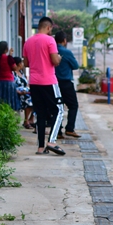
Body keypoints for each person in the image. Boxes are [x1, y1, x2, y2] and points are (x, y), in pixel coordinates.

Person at [22, 17, 65, 155]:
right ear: (48, 27)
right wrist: (58, 58)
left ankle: (41, 147)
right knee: (59, 110)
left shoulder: (28, 41)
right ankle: (52, 141)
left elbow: (26, 63)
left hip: (34, 82)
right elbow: (54, 60)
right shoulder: (49, 40)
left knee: (40, 113)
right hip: (49, 81)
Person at [54, 31, 81, 138]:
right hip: (66, 82)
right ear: (64, 40)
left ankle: (58, 131)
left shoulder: (52, 51)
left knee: (57, 106)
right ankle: (69, 128)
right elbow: (75, 66)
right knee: (73, 105)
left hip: (54, 83)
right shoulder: (67, 52)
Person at [0, 41, 20, 111]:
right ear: (6, 49)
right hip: (8, 82)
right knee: (9, 100)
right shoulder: (9, 58)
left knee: (0, 100)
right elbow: (15, 68)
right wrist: (11, 56)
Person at [12, 56, 34, 130]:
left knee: (38, 97)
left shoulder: (21, 73)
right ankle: (26, 120)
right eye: (21, 63)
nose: (23, 64)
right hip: (18, 93)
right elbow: (13, 85)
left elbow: (26, 83)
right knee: (29, 99)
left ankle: (31, 119)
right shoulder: (13, 74)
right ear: (18, 64)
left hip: (25, 91)